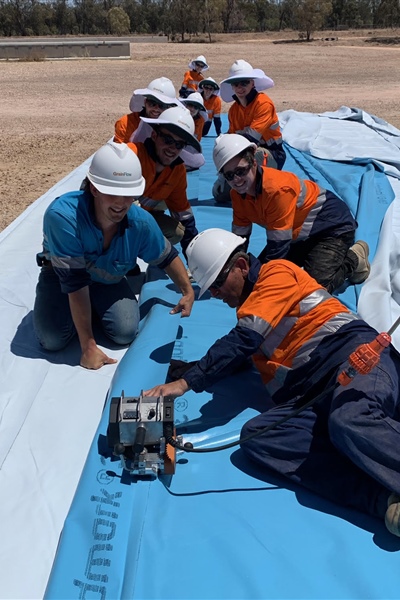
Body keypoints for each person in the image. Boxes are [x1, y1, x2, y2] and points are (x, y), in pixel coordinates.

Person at [144, 228, 400, 538]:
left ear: (240, 266)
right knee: (258, 437)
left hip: (354, 359)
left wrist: (186, 383)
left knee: (350, 417)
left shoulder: (276, 273)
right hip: (312, 394)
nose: (214, 294)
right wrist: (193, 367)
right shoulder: (253, 309)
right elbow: (243, 351)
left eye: (217, 284)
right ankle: (384, 502)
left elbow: (244, 340)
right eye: (209, 288)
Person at [33, 142, 194, 370]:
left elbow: (166, 256)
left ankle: (90, 313)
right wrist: (88, 346)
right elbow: (75, 282)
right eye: (112, 193)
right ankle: (77, 318)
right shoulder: (62, 216)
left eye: (128, 195)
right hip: (62, 279)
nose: (121, 203)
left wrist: (187, 291)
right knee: (52, 339)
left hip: (107, 279)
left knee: (125, 332)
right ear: (94, 189)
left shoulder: (140, 222)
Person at [212, 133, 370, 293]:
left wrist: (260, 285)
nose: (237, 179)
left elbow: (277, 251)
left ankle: (354, 259)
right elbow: (240, 240)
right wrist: (230, 271)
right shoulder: (237, 195)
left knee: (313, 291)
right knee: (254, 277)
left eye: (241, 171)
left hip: (332, 229)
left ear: (253, 162)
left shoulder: (276, 190)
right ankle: (313, 257)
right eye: (229, 175)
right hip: (297, 236)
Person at [128, 106, 201, 258]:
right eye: (168, 140)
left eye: (179, 144)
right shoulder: (131, 155)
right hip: (109, 221)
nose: (172, 148)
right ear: (154, 135)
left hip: (136, 222)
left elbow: (183, 215)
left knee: (176, 232)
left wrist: (195, 261)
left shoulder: (177, 171)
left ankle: (132, 251)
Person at [213, 59, 285, 203]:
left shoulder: (263, 103)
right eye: (236, 84)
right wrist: (222, 174)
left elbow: (250, 140)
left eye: (244, 82)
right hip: (243, 154)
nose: (240, 87)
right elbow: (230, 141)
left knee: (253, 155)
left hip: (271, 154)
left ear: (253, 83)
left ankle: (259, 193)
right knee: (220, 195)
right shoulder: (233, 110)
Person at [114, 77, 181, 144]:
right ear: (145, 102)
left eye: (162, 105)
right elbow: (119, 151)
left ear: (169, 107)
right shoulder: (127, 123)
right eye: (152, 103)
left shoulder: (175, 128)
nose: (156, 109)